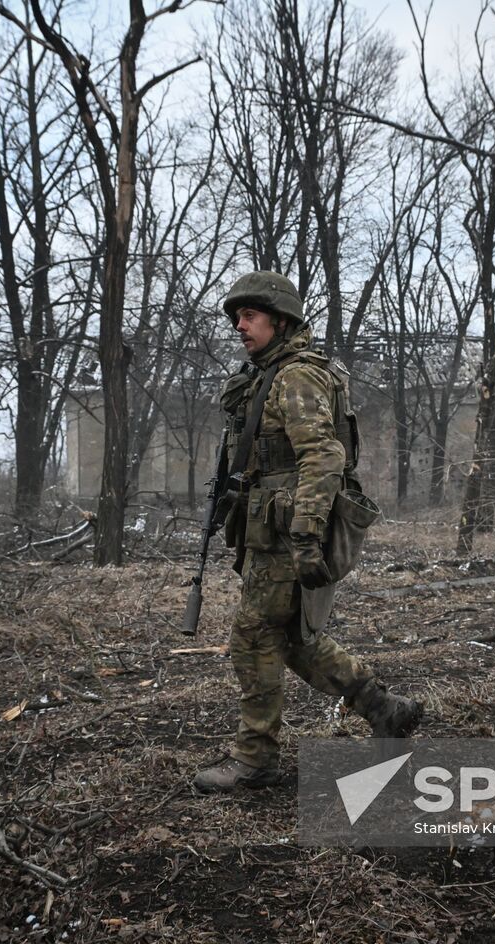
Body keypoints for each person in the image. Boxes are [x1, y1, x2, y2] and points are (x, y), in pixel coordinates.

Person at [193, 271, 423, 794]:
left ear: (280, 319)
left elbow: (322, 456)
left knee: (252, 639)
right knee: (295, 640)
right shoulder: (268, 374)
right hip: (268, 531)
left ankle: (255, 762)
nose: (239, 325)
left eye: (249, 316)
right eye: (236, 316)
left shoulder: (295, 376)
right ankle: (386, 710)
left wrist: (303, 535)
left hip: (284, 534)